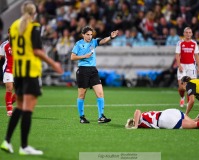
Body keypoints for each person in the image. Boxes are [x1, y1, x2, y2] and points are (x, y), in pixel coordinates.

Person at [0, 1, 63, 155]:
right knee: (28, 108)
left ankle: (7, 141)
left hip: (18, 71)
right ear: (34, 13)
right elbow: (37, 51)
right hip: (30, 71)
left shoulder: (14, 26)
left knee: (20, 107)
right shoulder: (34, 26)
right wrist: (54, 63)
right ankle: (24, 146)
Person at [71, 26, 118, 123]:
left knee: (100, 93)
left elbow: (103, 41)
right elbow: (72, 57)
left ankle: (101, 116)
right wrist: (85, 56)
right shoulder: (78, 44)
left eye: (91, 35)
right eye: (87, 34)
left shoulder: (93, 42)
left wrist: (111, 37)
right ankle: (82, 117)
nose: (89, 36)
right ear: (83, 35)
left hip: (93, 70)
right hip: (83, 70)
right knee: (81, 95)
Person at [125, 108, 199, 129]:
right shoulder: (145, 114)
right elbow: (138, 112)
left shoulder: (139, 122)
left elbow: (137, 111)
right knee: (195, 122)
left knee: (196, 125)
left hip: (165, 120)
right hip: (171, 111)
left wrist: (135, 126)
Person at [175, 27, 199, 107]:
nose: (188, 34)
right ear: (184, 33)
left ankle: (189, 102)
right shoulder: (180, 43)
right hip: (182, 65)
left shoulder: (194, 43)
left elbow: (196, 55)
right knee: (181, 87)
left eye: (190, 32)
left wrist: (198, 66)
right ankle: (182, 97)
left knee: (191, 85)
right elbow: (177, 55)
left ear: (192, 34)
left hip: (191, 66)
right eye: (187, 32)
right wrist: (179, 65)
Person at [0, 30, 16, 117]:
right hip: (8, 69)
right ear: (9, 34)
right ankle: (9, 110)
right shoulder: (4, 45)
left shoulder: (20, 43)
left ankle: (9, 102)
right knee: (9, 88)